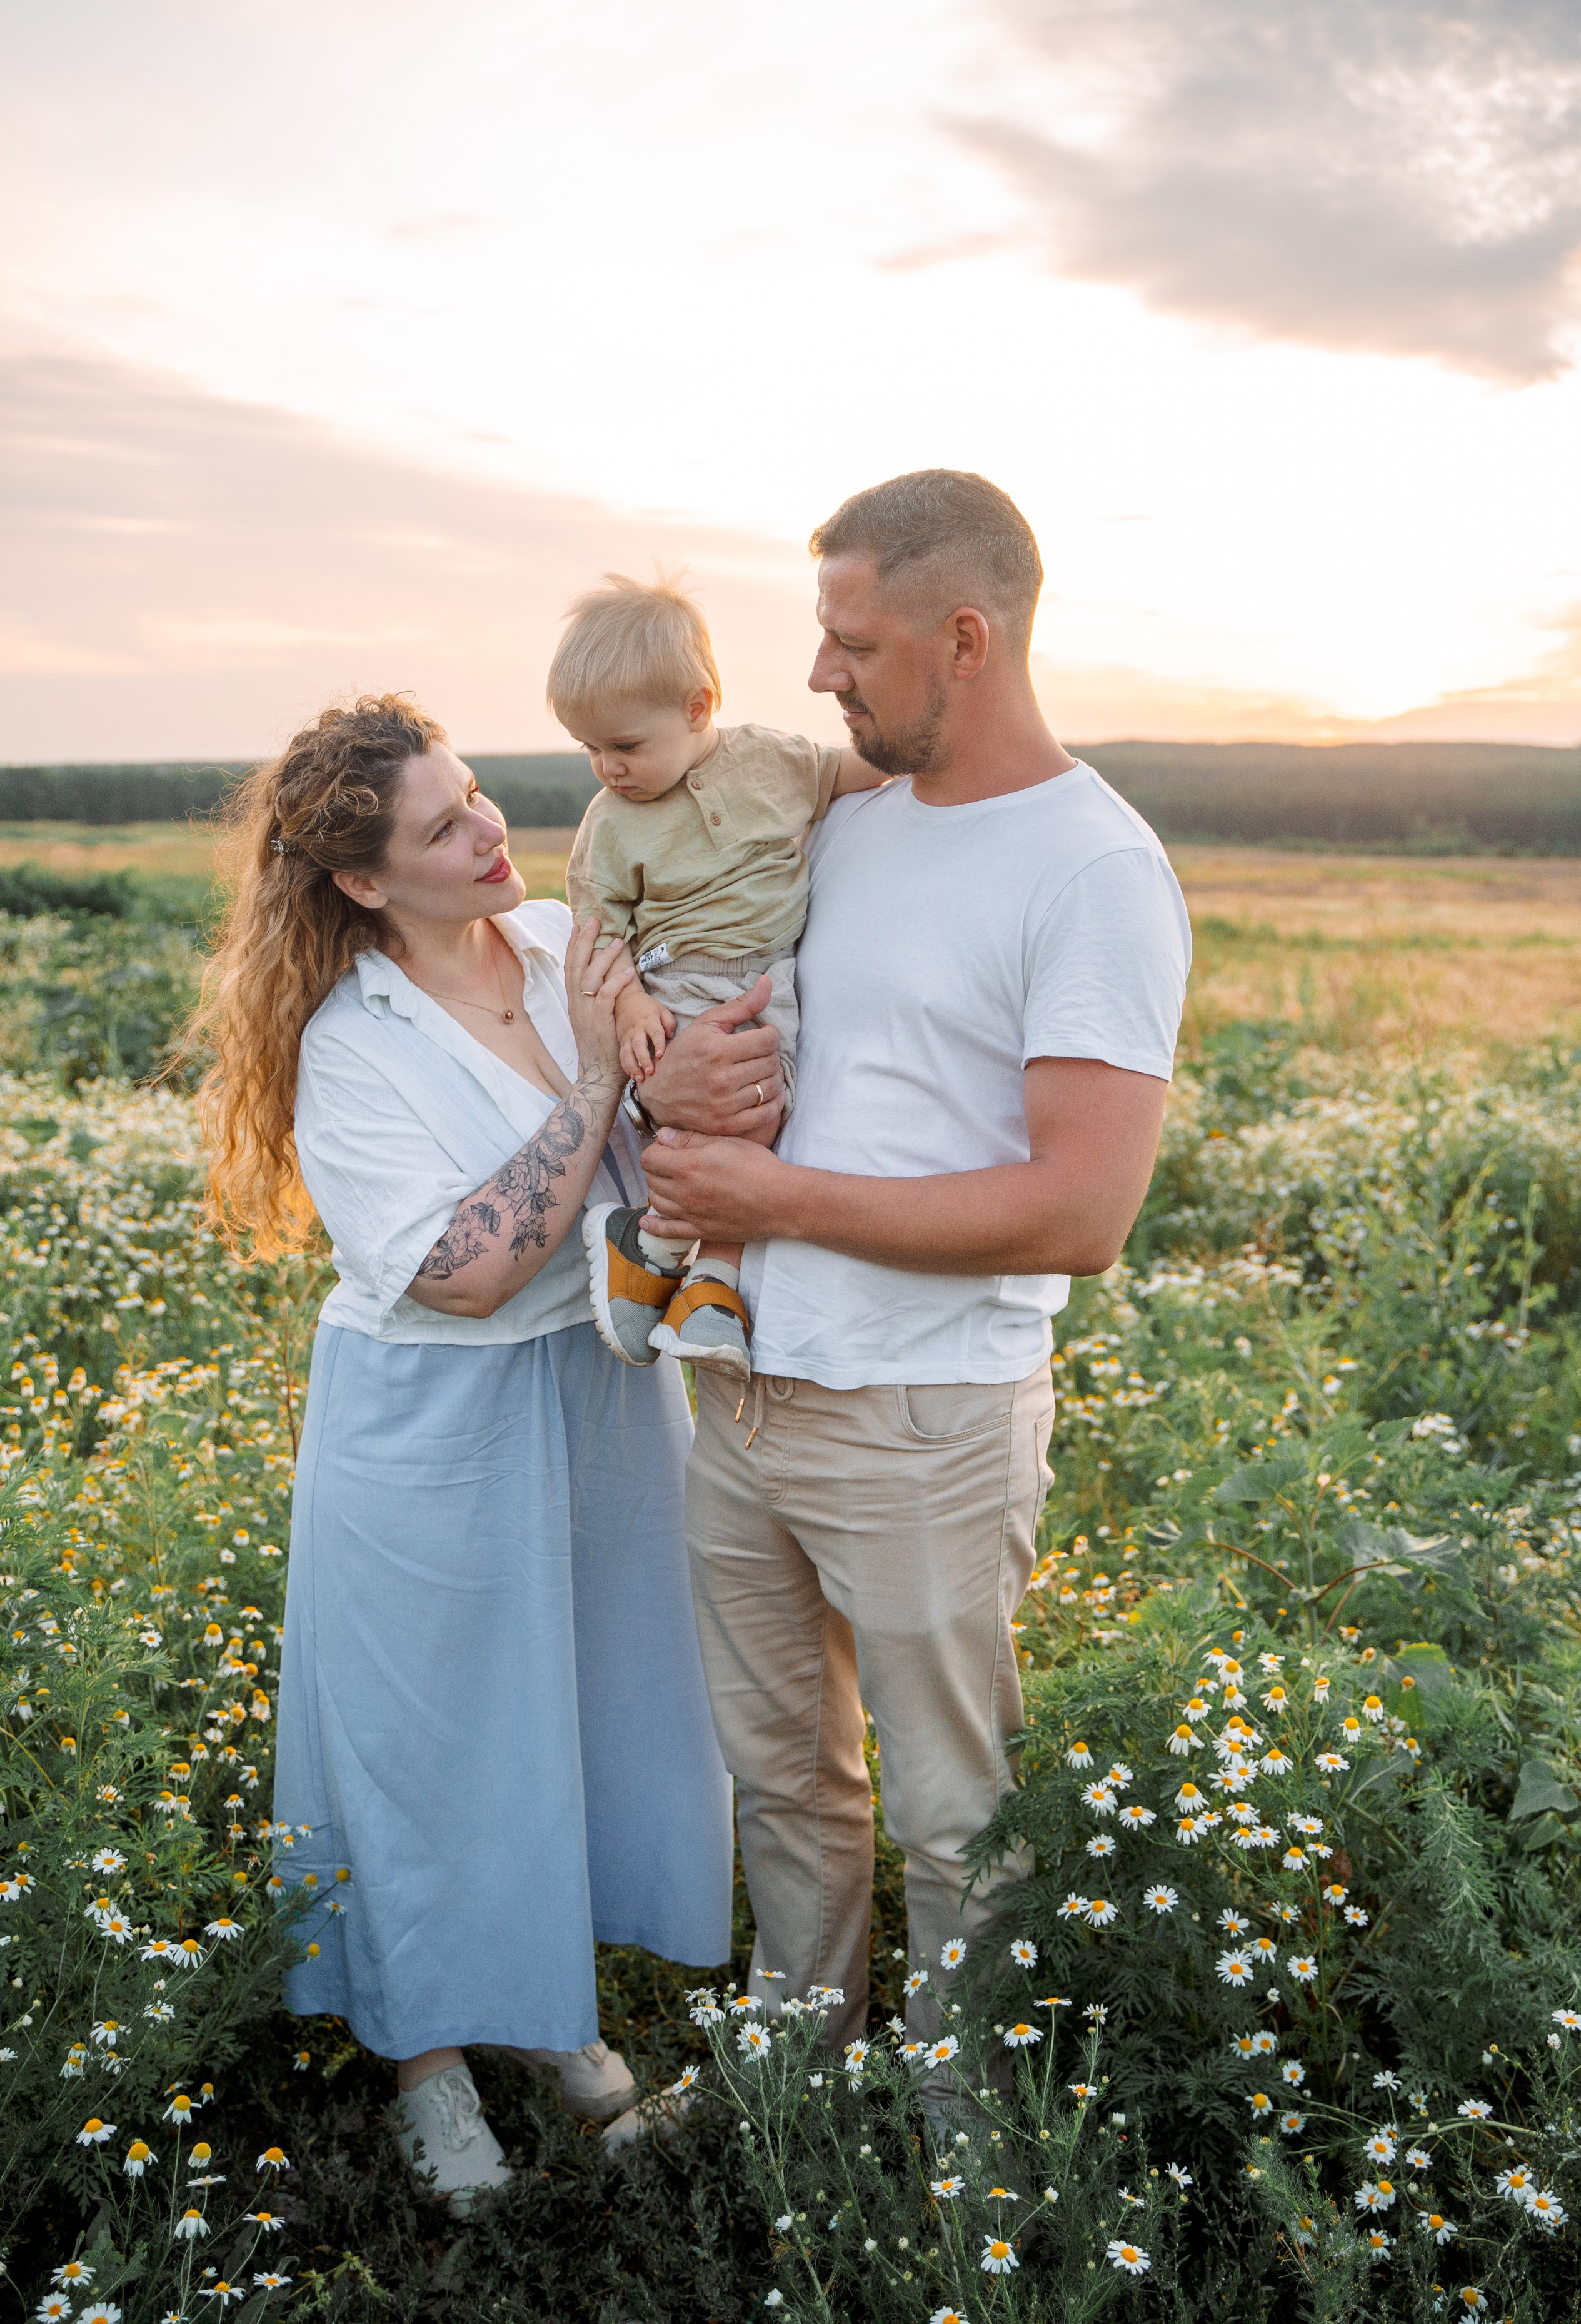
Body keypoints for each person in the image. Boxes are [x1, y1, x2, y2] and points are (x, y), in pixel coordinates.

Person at [637, 470, 1192, 2060]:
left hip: (922, 1423)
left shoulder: (1088, 870)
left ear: (966, 637)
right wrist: (671, 1082)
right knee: (787, 1784)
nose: (815, 676)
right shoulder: (847, 823)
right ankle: (798, 2084)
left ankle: (964, 2155)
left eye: (848, 643)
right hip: (737, 1392)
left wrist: (774, 1194)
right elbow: (721, 1006)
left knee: (955, 1825)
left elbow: (1079, 1210)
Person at [188, 695, 733, 2215]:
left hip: (602, 1391)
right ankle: (426, 2064)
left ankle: (556, 2022)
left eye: (478, 794)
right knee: (430, 1751)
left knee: (572, 1718)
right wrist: (598, 1087)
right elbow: (464, 1268)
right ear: (364, 883)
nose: (489, 829)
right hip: (434, 1420)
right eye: (443, 827)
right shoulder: (346, 1043)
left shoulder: (569, 939)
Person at [551, 572, 883, 1380]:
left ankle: (676, 1257)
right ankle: (708, 1279)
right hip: (679, 983)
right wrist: (630, 1006)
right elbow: (597, 932)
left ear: (698, 708)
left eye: (624, 746)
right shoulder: (610, 824)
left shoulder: (774, 761)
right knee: (732, 1116)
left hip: (773, 982)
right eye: (589, 749)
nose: (607, 768)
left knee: (767, 1116)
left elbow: (862, 773)